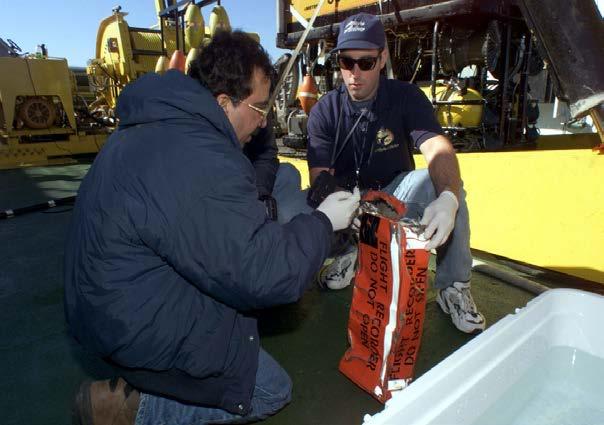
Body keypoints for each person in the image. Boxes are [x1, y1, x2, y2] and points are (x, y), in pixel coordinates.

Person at [64, 30, 360, 424]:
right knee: (269, 391)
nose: (263, 121)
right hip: (128, 323)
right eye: (258, 108)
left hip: (112, 298)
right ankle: (127, 409)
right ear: (223, 103)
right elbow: (266, 273)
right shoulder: (199, 156)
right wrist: (324, 222)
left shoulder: (161, 124)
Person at [305, 13, 486, 334]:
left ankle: (454, 287)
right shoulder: (324, 110)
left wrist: (448, 198)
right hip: (345, 201)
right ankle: (350, 251)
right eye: (346, 62)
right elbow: (319, 177)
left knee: (448, 186)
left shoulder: (406, 97)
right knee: (297, 205)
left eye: (366, 62)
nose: (355, 73)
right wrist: (345, 208)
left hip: (393, 197)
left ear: (382, 58)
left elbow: (437, 147)